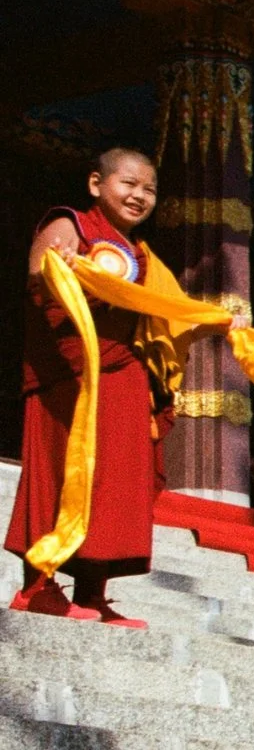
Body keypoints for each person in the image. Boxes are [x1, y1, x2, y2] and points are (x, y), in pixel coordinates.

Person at [10, 147, 166, 627]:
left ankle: (92, 594)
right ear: (97, 184)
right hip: (68, 372)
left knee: (112, 483)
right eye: (129, 184)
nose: (140, 196)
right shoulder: (71, 224)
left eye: (150, 189)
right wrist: (63, 267)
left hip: (120, 374)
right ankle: (37, 588)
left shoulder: (141, 253)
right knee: (60, 473)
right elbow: (39, 273)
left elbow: (171, 307)